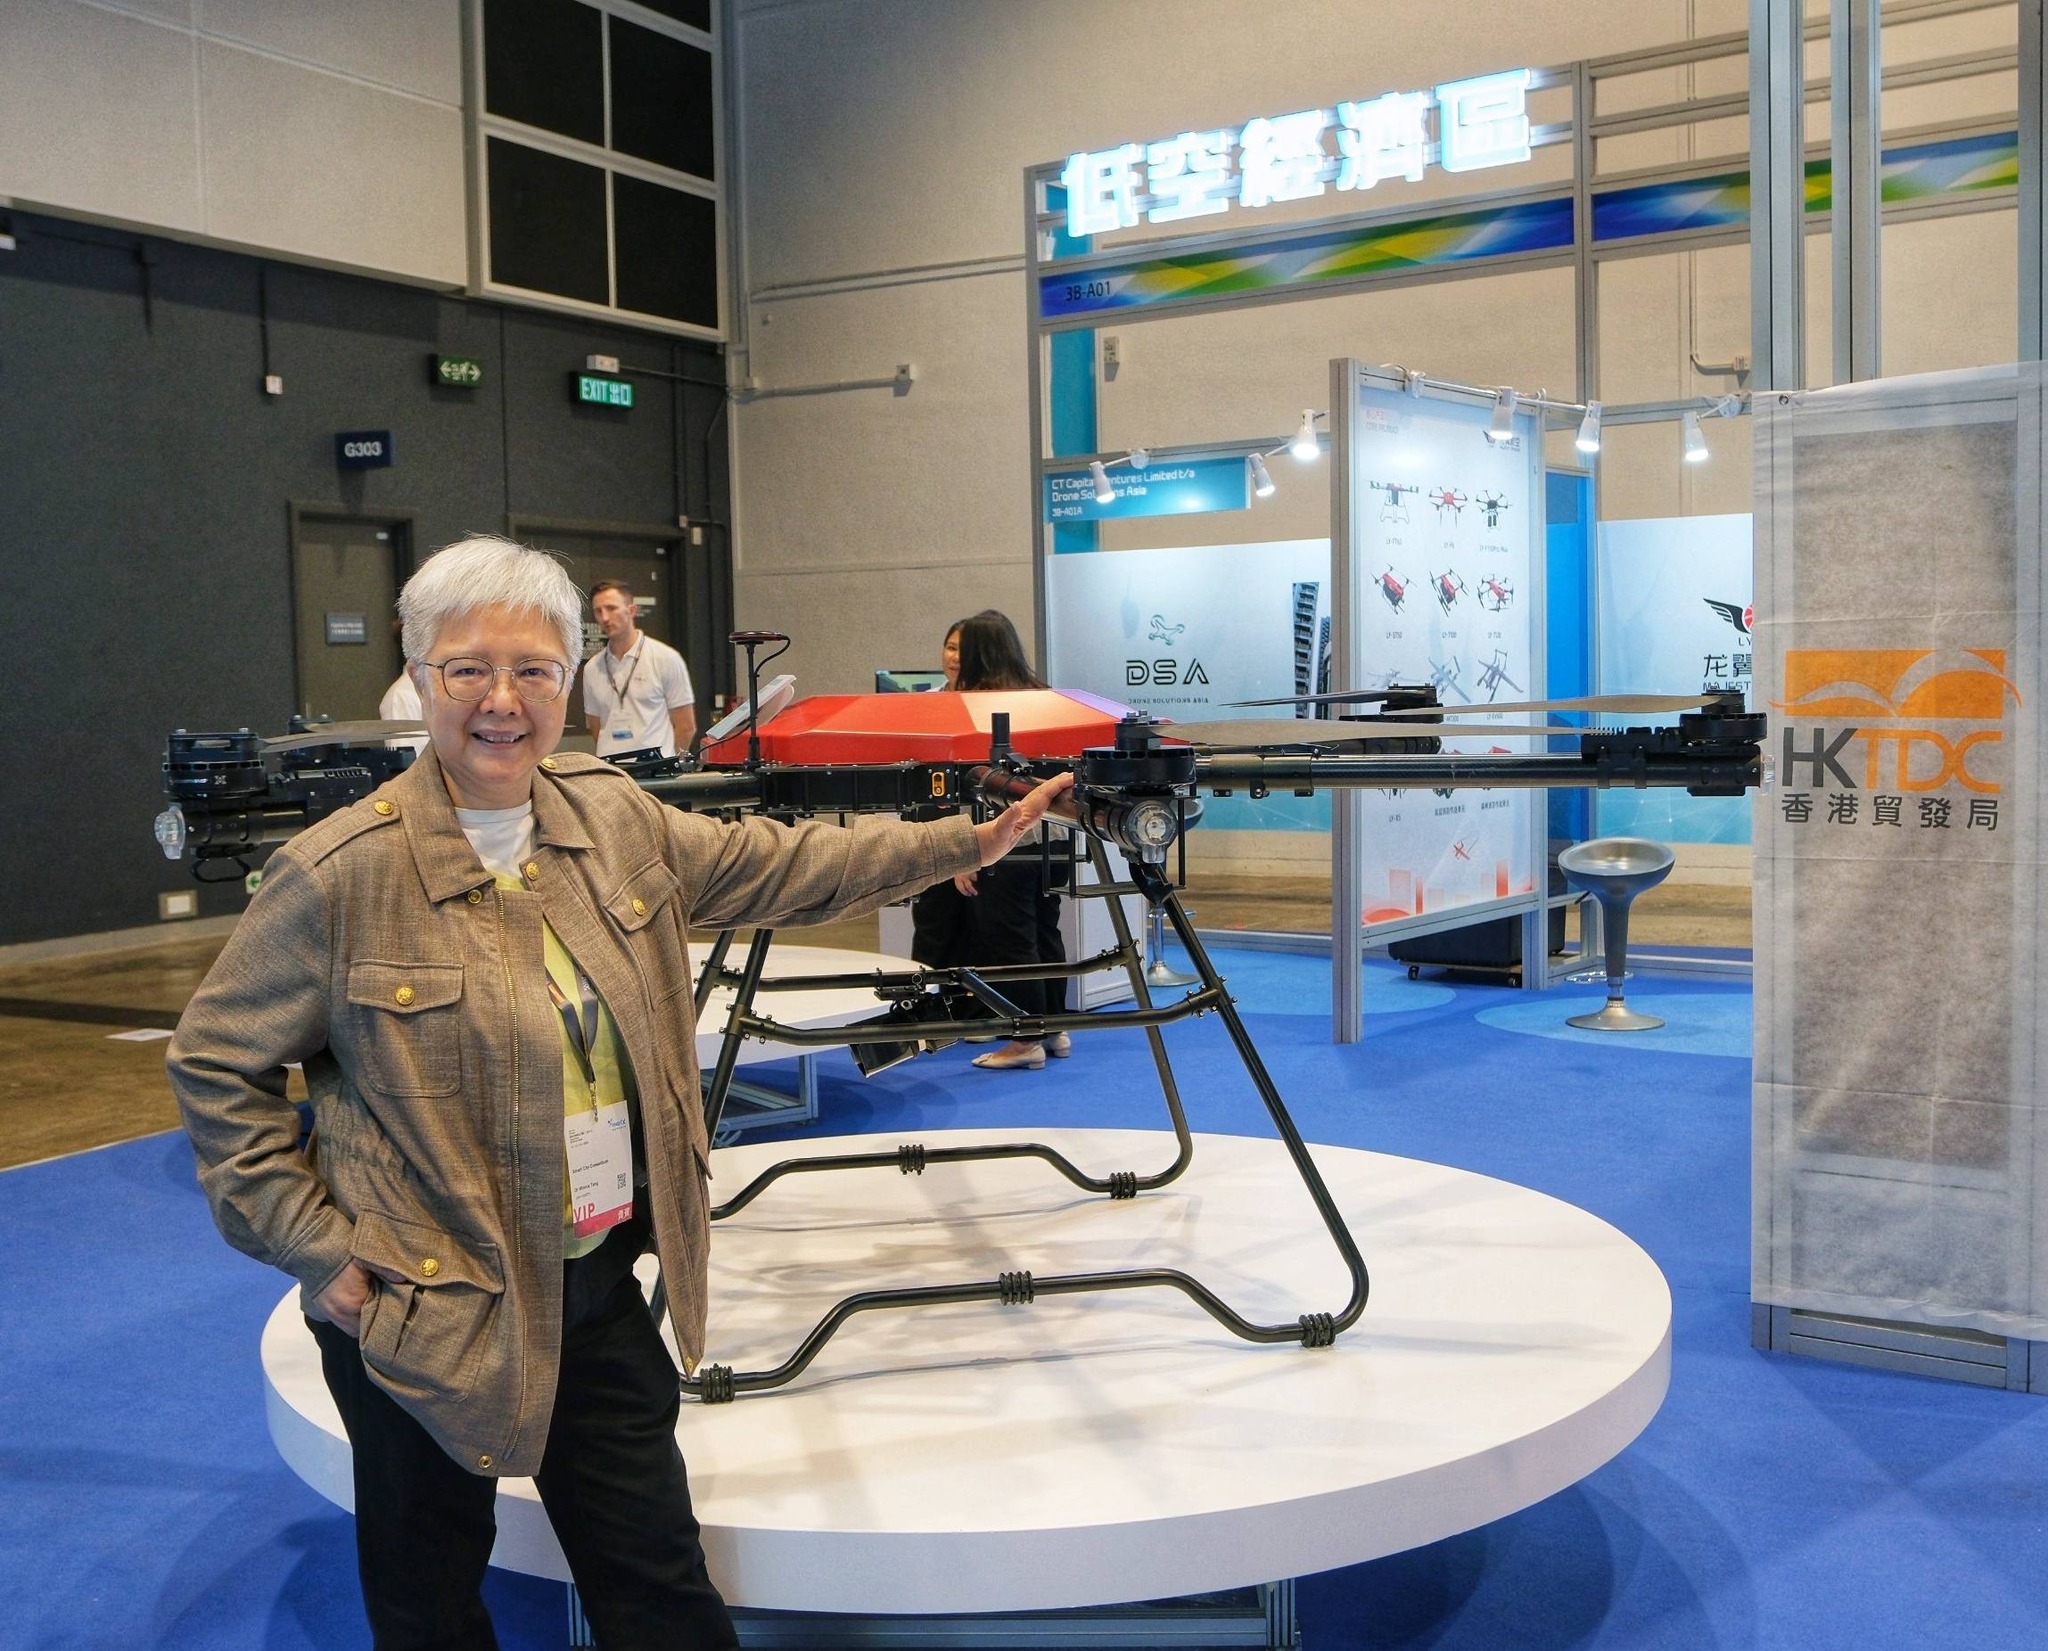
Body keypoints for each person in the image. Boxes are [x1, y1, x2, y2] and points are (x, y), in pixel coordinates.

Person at [167, 536, 1071, 1651]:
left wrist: (959, 839)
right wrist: (316, 1247)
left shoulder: (611, 817)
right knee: (428, 1602)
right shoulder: (340, 872)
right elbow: (215, 1062)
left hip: (594, 1288)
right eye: (468, 668)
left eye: (534, 670)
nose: (503, 701)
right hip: (421, 1304)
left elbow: (778, 863)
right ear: (418, 673)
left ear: (570, 681)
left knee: (659, 1592)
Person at [910, 610, 1073, 1071]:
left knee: (1010, 939)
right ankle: (1052, 1027)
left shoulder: (976, 707)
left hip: (1007, 838)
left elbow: (971, 787)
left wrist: (966, 853)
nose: (955, 657)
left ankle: (1024, 1041)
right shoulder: (1043, 697)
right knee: (1043, 932)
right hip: (1055, 836)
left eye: (963, 648)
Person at [582, 578, 696, 758]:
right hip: (611, 768)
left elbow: (686, 726)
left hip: (656, 768)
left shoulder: (665, 658)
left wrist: (671, 762)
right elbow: (596, 727)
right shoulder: (592, 668)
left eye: (611, 608)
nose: (604, 618)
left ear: (632, 610)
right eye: (598, 611)